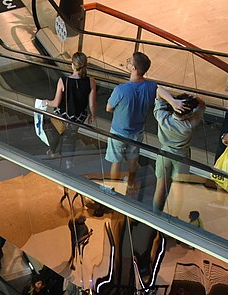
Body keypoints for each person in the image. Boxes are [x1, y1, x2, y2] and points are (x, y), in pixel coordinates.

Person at [105, 52, 157, 190]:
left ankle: (113, 188)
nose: (127, 62)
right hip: (137, 132)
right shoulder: (152, 87)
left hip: (118, 131)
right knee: (133, 159)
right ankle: (131, 184)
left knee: (116, 161)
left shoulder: (120, 90)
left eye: (129, 61)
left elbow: (108, 108)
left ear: (133, 68)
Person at [153, 91, 204, 212]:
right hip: (182, 157)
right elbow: (202, 106)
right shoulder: (190, 125)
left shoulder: (162, 118)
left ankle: (155, 214)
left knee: (160, 186)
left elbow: (159, 91)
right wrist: (194, 96)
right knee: (178, 189)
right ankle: (174, 216)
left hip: (164, 154)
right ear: (188, 114)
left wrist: (173, 101)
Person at [40, 51, 97, 160]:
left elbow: (56, 103)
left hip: (62, 116)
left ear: (72, 65)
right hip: (77, 118)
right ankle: (69, 162)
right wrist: (92, 115)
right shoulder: (91, 81)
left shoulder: (63, 81)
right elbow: (92, 104)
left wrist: (46, 102)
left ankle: (52, 151)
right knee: (71, 138)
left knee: (55, 132)